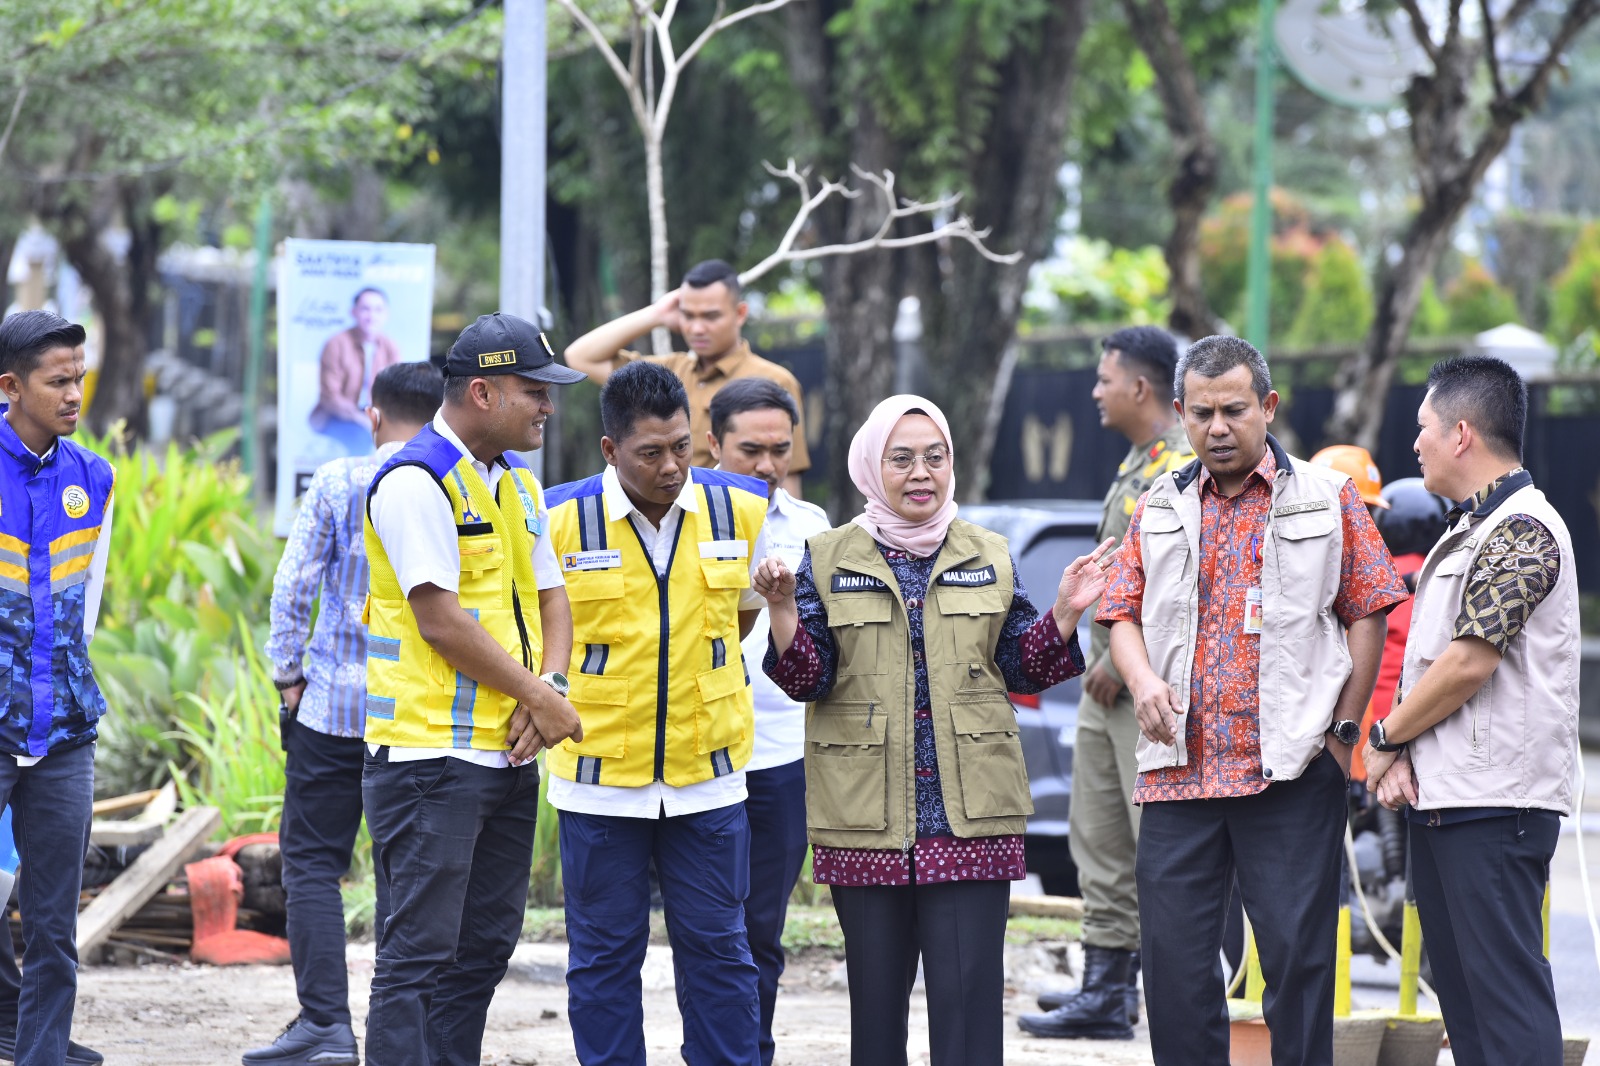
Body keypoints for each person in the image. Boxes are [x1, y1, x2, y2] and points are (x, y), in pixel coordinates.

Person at [755, 394, 1114, 1066]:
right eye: (902, 458)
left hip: (970, 818)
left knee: (971, 1015)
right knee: (877, 1020)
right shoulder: (827, 557)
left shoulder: (990, 553)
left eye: (935, 456)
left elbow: (1022, 667)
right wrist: (780, 611)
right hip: (866, 819)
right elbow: (808, 679)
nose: (921, 472)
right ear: (871, 466)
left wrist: (1065, 613)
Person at [1096, 335, 1407, 1066]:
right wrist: (1141, 682)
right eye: (1201, 413)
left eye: (1234, 410)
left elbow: (1369, 608)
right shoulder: (1157, 505)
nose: (1218, 428)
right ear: (1180, 413)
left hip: (1291, 771)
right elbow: (1122, 614)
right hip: (1179, 775)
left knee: (1299, 967)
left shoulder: (1327, 500)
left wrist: (1343, 734)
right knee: (1173, 971)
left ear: (1266, 407)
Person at [361, 313, 585, 1066]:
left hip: (505, 754)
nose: (547, 408)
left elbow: (553, 599)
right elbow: (441, 624)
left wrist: (546, 687)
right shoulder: (413, 480)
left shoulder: (517, 486)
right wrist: (545, 700)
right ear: (482, 392)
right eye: (534, 392)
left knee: (485, 945)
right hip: (430, 760)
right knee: (419, 955)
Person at [542, 360, 770, 1066]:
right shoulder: (558, 519)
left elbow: (741, 619)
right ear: (610, 451)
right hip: (599, 777)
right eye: (651, 453)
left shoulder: (743, 508)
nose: (672, 467)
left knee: (722, 957)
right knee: (604, 962)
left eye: (682, 448)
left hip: (709, 777)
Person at [1363, 355, 1578, 1066]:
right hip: (1450, 799)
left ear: (1461, 434)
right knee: (1466, 1007)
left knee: (1505, 1005)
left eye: (1422, 428)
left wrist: (1385, 738)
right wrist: (1402, 756)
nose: (1413, 443)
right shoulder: (1469, 529)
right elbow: (1429, 662)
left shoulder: (1523, 529)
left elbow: (1468, 662)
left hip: (1498, 805)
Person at [248, 361, 444, 1066]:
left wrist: (288, 680)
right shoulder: (459, 482)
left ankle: (326, 1024)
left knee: (311, 863)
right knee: (409, 874)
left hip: (332, 709)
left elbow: (293, 588)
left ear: (373, 414)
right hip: (420, 717)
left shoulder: (339, 480)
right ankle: (407, 1032)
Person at [1020, 325, 1193, 1041]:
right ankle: (1105, 990)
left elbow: (1179, 591)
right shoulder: (1140, 463)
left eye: (1104, 378)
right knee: (1099, 843)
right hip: (1105, 687)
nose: (1094, 390)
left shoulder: (1179, 467)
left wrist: (1125, 665)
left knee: (1152, 845)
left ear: (1141, 387)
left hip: (1139, 690)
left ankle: (1172, 995)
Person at [0, 310, 116, 1066]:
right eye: (57, 381)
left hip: (66, 730)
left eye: (79, 378)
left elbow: (89, 604)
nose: (74, 394)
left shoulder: (94, 476)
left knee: (52, 932)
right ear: (10, 386)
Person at [704, 378, 830, 1065]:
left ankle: (752, 1051)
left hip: (781, 753)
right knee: (707, 926)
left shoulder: (813, 529)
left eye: (779, 449)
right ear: (714, 443)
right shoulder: (684, 520)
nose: (766, 464)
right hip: (698, 754)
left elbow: (819, 648)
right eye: (749, 448)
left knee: (761, 926)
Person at [563, 259, 811, 494]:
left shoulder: (773, 381)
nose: (697, 328)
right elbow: (580, 357)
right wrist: (656, 314)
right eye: (688, 316)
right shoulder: (666, 374)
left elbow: (787, 476)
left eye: (711, 316)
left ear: (740, 314)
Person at [310, 287, 402, 452]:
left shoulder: (390, 347)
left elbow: (395, 392)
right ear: (353, 312)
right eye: (365, 309)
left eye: (378, 310)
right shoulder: (336, 344)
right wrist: (361, 419)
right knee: (361, 439)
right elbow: (330, 396)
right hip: (338, 416)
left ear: (386, 314)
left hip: (375, 418)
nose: (371, 316)